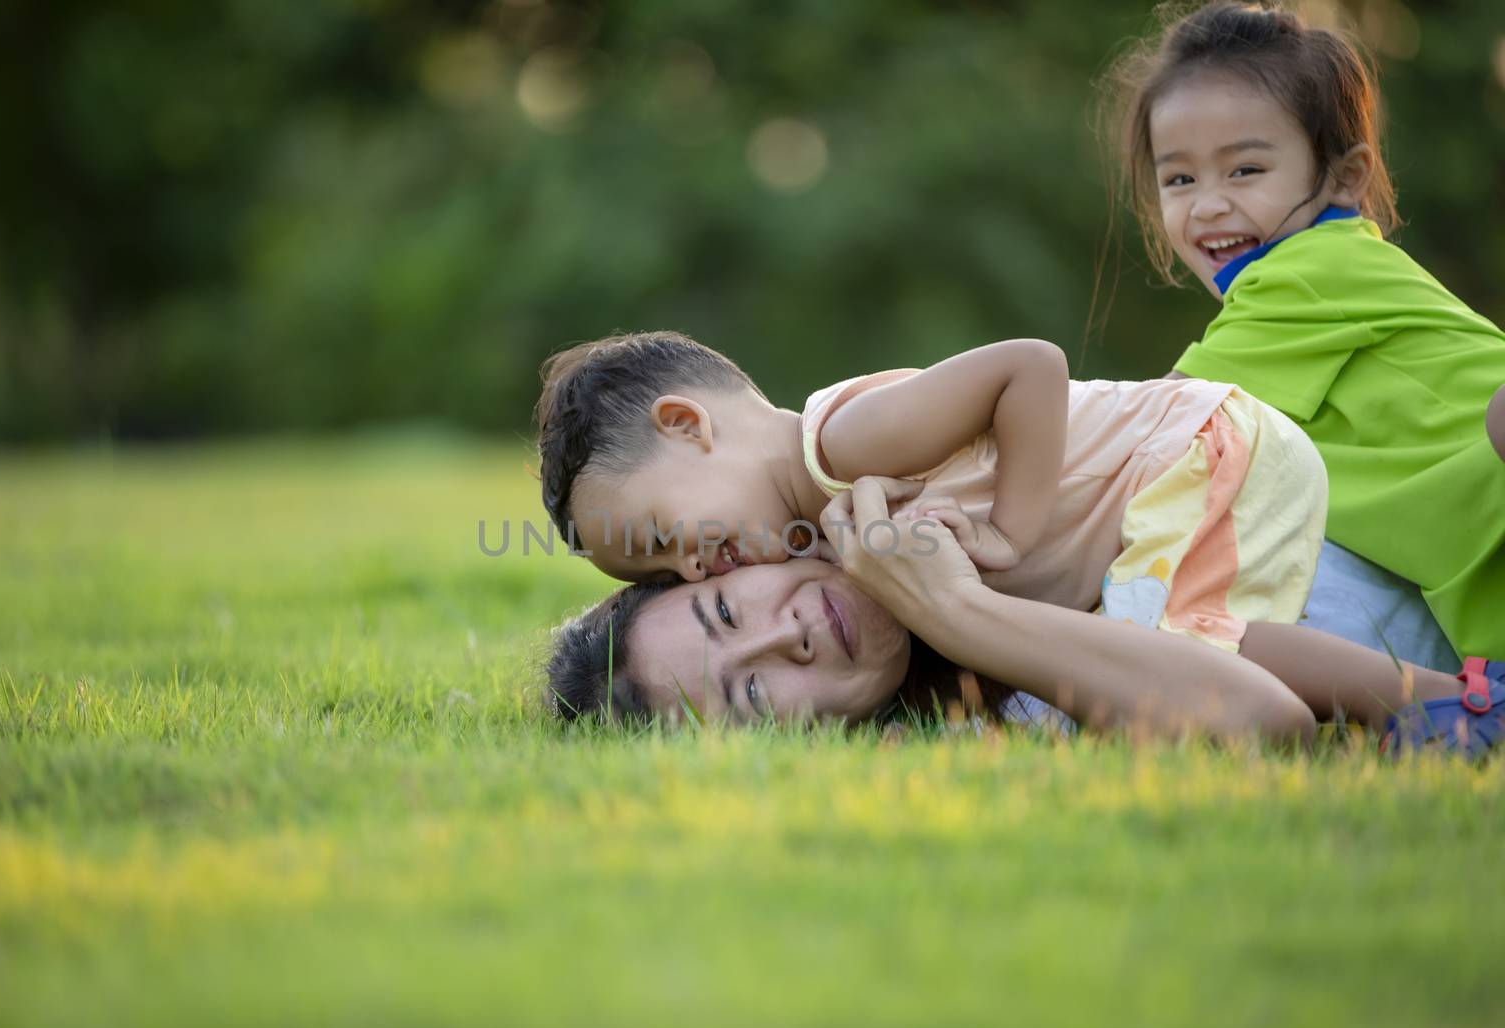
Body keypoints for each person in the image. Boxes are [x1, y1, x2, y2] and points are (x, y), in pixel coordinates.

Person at [1099, 0, 1505, 659]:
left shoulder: (1306, 272)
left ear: (1344, 178)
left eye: (1246, 170)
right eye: (1179, 178)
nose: (1207, 204)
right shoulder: (1323, 274)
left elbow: (1138, 436)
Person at [545, 478, 1504, 755]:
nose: (780, 635)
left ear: (739, 559)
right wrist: (957, 615)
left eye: (724, 610)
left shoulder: (966, 482)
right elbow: (1271, 722)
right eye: (753, 690)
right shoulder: (1018, 710)